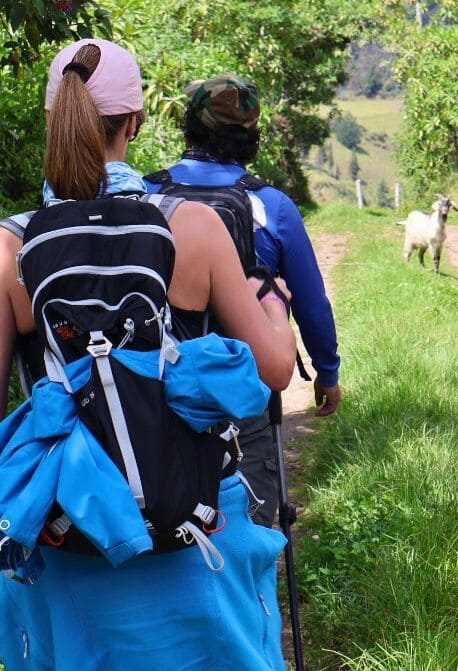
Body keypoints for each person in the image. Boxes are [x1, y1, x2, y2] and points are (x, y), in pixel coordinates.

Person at [0, 39, 297, 670]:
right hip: (197, 529)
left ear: (53, 119)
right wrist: (273, 306)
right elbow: (272, 372)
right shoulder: (193, 227)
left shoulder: (1, 248)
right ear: (134, 123)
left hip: (75, 536)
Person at [144, 73, 341, 527]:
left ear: (189, 127)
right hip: (243, 401)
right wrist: (326, 373)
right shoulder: (271, 207)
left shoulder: (147, 195)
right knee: (248, 541)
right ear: (252, 137)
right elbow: (312, 305)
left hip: (158, 395)